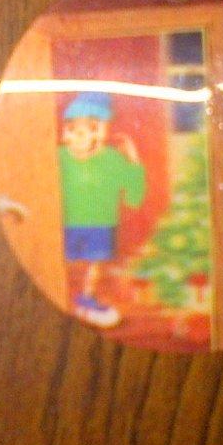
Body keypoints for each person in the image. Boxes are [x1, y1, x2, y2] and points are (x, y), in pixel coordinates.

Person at [57, 93, 147, 328]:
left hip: (101, 225)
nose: (79, 136)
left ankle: (86, 300)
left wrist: (133, 160)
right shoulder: (56, 158)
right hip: (63, 224)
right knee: (67, 265)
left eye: (90, 128)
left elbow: (134, 199)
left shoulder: (113, 160)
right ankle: (68, 301)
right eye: (72, 129)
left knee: (94, 266)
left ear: (102, 132)